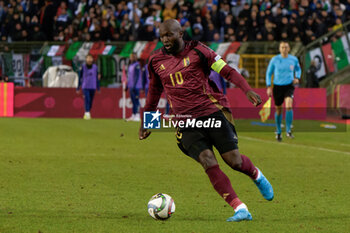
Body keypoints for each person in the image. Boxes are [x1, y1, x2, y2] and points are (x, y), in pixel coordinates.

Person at [139, 19, 274, 222]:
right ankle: (240, 209)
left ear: (181, 33)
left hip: (212, 113)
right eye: (162, 36)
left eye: (169, 35)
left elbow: (227, 70)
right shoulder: (156, 61)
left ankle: (256, 175)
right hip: (185, 121)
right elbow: (154, 91)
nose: (165, 39)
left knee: (234, 161)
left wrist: (247, 90)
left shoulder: (200, 51)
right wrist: (148, 122)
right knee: (207, 160)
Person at [266, 41, 301, 141]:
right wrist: (268, 86)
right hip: (277, 86)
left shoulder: (293, 59)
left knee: (289, 105)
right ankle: (278, 131)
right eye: (282, 47)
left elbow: (298, 69)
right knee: (278, 109)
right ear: (279, 49)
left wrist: (297, 77)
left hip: (289, 86)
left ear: (289, 49)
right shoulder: (275, 59)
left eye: (286, 47)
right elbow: (269, 73)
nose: (284, 49)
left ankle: (288, 129)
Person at [76, 54, 100, 120]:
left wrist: (98, 87)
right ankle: (87, 113)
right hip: (85, 86)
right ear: (86, 59)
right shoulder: (83, 67)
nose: (89, 59)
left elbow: (97, 77)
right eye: (88, 58)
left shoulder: (95, 67)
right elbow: (79, 77)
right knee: (87, 99)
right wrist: (78, 87)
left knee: (91, 101)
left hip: (93, 86)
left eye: (90, 58)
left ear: (92, 59)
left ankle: (87, 112)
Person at [126, 53, 142, 121]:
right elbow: (129, 77)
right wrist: (127, 86)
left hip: (136, 86)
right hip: (131, 86)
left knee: (136, 100)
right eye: (131, 57)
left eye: (133, 57)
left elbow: (137, 76)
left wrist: (134, 85)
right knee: (133, 101)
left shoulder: (137, 65)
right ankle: (133, 114)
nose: (131, 58)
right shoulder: (130, 65)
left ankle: (138, 115)